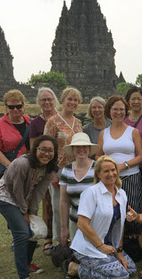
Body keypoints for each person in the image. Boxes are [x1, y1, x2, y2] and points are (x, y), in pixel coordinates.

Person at [0, 135, 59, 279]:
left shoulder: (50, 168)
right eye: (42, 149)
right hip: (5, 197)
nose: (46, 154)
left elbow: (39, 191)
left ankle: (27, 263)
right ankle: (23, 278)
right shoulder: (23, 163)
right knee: (22, 232)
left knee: (34, 229)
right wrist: (24, 212)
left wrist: (33, 212)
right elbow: (16, 188)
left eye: (50, 151)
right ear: (36, 149)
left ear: (54, 153)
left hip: (24, 198)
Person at [65, 156, 137, 279]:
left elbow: (120, 225)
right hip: (89, 246)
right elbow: (82, 224)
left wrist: (119, 251)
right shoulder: (91, 193)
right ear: (98, 174)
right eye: (106, 171)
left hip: (110, 245)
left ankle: (102, 262)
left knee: (131, 269)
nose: (111, 174)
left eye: (113, 170)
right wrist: (101, 246)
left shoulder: (121, 194)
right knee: (120, 277)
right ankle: (75, 268)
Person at [96, 95, 142, 237]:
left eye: (121, 109)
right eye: (115, 109)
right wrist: (109, 166)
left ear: (126, 111)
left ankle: (133, 240)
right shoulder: (103, 133)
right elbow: (97, 155)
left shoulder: (133, 132)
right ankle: (113, 239)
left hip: (130, 176)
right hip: (109, 179)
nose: (118, 113)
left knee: (131, 209)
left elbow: (141, 156)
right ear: (109, 111)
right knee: (111, 209)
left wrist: (124, 165)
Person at [44, 87, 83, 245]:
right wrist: (51, 173)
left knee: (77, 206)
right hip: (59, 170)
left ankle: (77, 239)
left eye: (75, 100)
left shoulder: (78, 122)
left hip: (76, 171)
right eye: (69, 99)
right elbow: (46, 148)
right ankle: (60, 242)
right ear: (62, 101)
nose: (72, 103)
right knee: (60, 207)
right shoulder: (53, 121)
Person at [28, 87, 58, 255]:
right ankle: (48, 237)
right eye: (43, 100)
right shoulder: (35, 124)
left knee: (64, 203)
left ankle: (64, 235)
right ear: (39, 103)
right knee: (47, 204)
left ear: (55, 100)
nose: (47, 102)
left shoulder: (61, 118)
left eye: (49, 99)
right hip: (45, 168)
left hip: (64, 166)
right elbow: (33, 149)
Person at [59, 133, 98, 245]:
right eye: (77, 146)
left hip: (95, 221)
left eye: (84, 146)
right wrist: (63, 228)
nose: (81, 149)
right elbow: (63, 201)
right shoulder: (66, 170)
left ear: (89, 149)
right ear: (73, 149)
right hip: (75, 220)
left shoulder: (98, 168)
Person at [0, 89, 31, 180]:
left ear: (23, 105)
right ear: (6, 108)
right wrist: (10, 166)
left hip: (30, 168)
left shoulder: (31, 122)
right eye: (11, 107)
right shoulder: (0, 124)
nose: (15, 109)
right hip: (10, 170)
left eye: (18, 106)